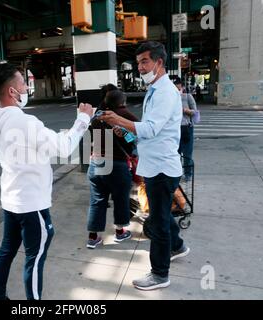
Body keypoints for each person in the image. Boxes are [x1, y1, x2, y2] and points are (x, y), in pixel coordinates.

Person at [0, 63, 93, 300]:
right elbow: (64, 148)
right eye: (23, 82)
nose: (26, 87)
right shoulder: (25, 122)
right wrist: (83, 120)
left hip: (12, 199)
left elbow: (44, 144)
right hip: (32, 203)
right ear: (12, 91)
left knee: (7, 250)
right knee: (35, 258)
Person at [99, 41, 190, 291]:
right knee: (162, 214)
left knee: (158, 222)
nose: (139, 67)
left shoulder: (164, 92)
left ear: (159, 63)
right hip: (154, 166)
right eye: (138, 62)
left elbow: (150, 129)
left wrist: (118, 119)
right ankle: (178, 246)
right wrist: (123, 131)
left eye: (144, 62)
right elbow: (145, 135)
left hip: (161, 168)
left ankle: (160, 274)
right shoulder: (154, 89)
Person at [86, 89, 139, 249]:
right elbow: (136, 139)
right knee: (120, 198)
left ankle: (93, 238)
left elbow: (90, 136)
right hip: (116, 165)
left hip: (96, 163)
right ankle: (120, 232)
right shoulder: (126, 115)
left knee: (97, 201)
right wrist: (125, 134)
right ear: (122, 102)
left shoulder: (97, 116)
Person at [174, 77, 197, 181]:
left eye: (179, 88)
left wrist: (184, 110)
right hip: (175, 129)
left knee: (187, 153)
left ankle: (188, 174)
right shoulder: (171, 98)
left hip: (186, 128)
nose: (177, 91)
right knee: (175, 153)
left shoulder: (188, 97)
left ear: (182, 87)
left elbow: (194, 112)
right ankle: (177, 173)